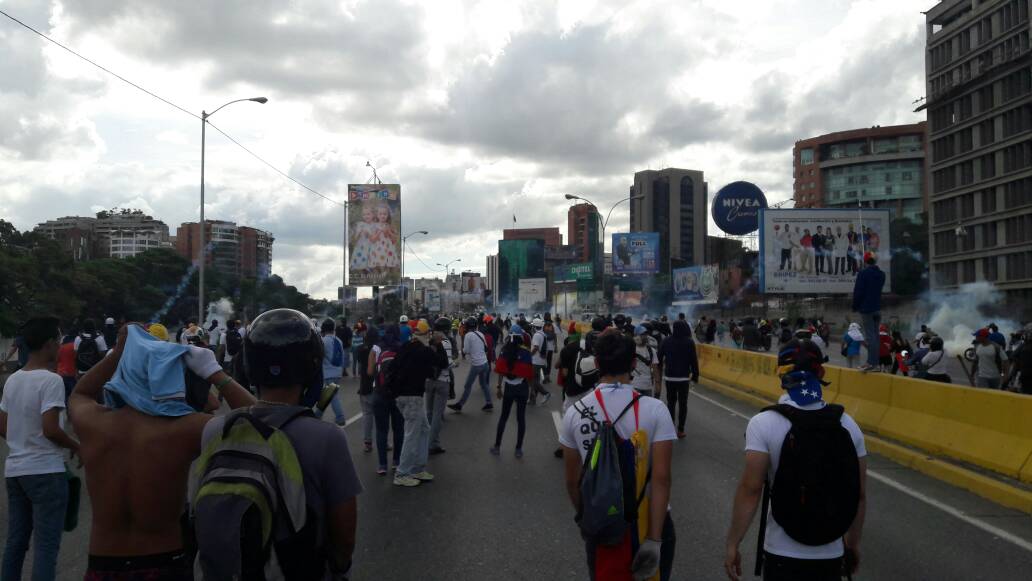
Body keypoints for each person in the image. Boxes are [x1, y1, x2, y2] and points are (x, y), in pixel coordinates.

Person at [66, 319, 255, 581]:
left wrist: (121, 351)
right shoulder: (184, 429)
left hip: (103, 562)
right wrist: (214, 372)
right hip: (164, 561)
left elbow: (80, 393)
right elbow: (261, 422)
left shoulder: (93, 424)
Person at [192, 308, 361, 580]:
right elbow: (344, 535)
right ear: (312, 368)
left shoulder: (214, 429)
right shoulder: (328, 438)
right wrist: (339, 569)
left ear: (249, 368)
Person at [724, 329, 866, 581]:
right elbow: (859, 494)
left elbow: (751, 490)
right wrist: (852, 544)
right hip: (830, 552)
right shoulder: (847, 424)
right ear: (820, 373)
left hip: (781, 552)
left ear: (780, 374)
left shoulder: (763, 422)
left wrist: (733, 543)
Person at [560, 331, 677, 581]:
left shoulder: (574, 413)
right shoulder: (656, 410)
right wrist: (655, 539)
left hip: (602, 522)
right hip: (650, 522)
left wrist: (587, 519)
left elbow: (572, 482)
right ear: (634, 363)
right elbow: (662, 479)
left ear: (597, 364)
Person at [1, 317, 80, 581]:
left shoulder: (13, 379)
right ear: (48, 344)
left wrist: (21, 439)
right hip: (46, 471)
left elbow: (3, 424)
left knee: (15, 543)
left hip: (16, 472)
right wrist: (76, 447)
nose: (60, 345)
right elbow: (51, 429)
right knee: (46, 547)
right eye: (58, 340)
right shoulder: (51, 381)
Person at [389, 321, 440, 487]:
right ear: (426, 335)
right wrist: (435, 344)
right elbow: (440, 363)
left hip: (401, 396)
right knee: (412, 434)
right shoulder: (424, 350)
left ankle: (417, 467)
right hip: (412, 397)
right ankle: (402, 473)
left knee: (424, 428)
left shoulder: (405, 346)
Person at [491, 325, 535, 457]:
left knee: (503, 417)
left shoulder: (504, 350)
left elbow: (500, 371)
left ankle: (497, 447)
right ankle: (518, 449)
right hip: (522, 388)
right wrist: (532, 391)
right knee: (521, 419)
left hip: (509, 388)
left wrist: (499, 388)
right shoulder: (526, 352)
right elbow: (530, 375)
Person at [370, 325, 405, 476]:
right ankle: (397, 462)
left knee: (381, 430)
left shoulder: (376, 348)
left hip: (379, 392)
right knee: (399, 429)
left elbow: (370, 371)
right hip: (398, 394)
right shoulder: (402, 348)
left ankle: (382, 465)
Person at [658, 319, 700, 440]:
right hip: (683, 378)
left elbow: (659, 357)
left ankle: (670, 428)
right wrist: (696, 375)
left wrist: (658, 372)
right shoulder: (689, 342)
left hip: (670, 377)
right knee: (683, 404)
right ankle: (681, 430)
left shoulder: (666, 341)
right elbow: (694, 360)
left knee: (671, 403)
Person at [449, 317, 493, 413]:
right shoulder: (481, 334)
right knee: (484, 384)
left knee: (467, 386)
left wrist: (460, 352)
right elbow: (485, 347)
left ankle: (460, 405)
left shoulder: (468, 335)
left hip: (476, 365)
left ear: (467, 326)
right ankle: (489, 403)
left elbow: (467, 350)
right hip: (485, 363)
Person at [852, 251, 885, 372]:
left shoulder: (863, 274)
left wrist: (855, 306)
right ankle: (876, 363)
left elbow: (859, 292)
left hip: (866, 309)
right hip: (877, 308)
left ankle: (871, 363)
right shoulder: (882, 274)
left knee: (870, 337)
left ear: (865, 261)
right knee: (876, 336)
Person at [427, 318, 456, 455]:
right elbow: (448, 364)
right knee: (437, 415)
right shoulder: (445, 342)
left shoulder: (429, 340)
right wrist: (456, 363)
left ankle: (428, 441)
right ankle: (432, 444)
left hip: (428, 381)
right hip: (442, 381)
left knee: (429, 413)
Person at [321, 319, 348, 426]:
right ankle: (317, 415)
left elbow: (320, 356)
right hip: (337, 372)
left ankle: (340, 417)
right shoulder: (338, 340)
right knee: (326, 395)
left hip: (328, 373)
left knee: (332, 396)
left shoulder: (323, 341)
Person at [631, 325, 661, 397]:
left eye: (645, 334)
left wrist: (657, 384)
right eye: (642, 335)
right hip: (634, 386)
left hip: (647, 386)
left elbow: (655, 368)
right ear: (636, 336)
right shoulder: (631, 350)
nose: (645, 336)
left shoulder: (651, 350)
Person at [529, 318, 553, 406]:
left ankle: (545, 393)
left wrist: (529, 355)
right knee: (536, 380)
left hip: (536, 361)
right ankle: (532, 400)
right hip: (541, 361)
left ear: (534, 327)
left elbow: (535, 347)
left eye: (532, 326)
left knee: (532, 380)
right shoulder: (543, 334)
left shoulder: (536, 335)